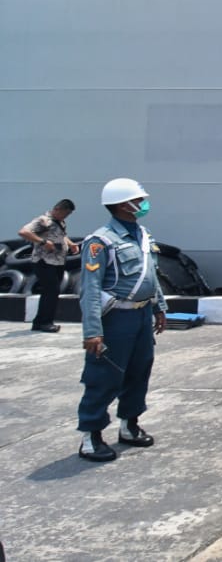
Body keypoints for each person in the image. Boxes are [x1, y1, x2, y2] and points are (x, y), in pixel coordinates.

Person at [76, 178, 168, 462]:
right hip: (115, 318)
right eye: (138, 201)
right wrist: (92, 332)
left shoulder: (142, 235)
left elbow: (150, 275)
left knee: (139, 371)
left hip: (141, 315)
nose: (143, 205)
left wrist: (159, 307)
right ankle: (91, 436)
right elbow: (89, 290)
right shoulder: (100, 241)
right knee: (105, 376)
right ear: (121, 205)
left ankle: (129, 424)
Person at [18, 198, 79, 333]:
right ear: (57, 209)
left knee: (51, 292)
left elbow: (62, 236)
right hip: (44, 261)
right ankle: (45, 322)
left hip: (57, 261)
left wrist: (70, 244)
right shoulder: (43, 221)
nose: (66, 216)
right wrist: (42, 242)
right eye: (65, 213)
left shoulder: (60, 222)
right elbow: (23, 232)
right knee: (51, 291)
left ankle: (39, 322)